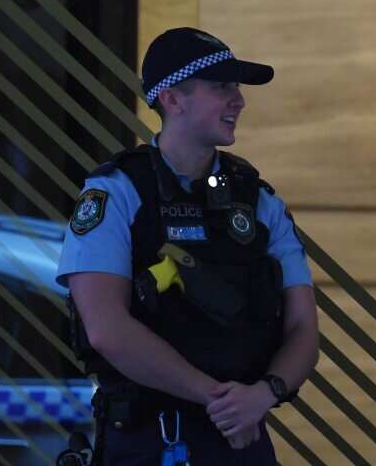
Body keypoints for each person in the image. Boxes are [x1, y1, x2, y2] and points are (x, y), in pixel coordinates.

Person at [57, 27, 319, 465]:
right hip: (149, 440)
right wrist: (220, 401)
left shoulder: (258, 201)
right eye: (222, 87)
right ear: (173, 99)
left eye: (237, 88)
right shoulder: (117, 192)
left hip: (243, 437)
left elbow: (303, 330)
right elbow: (105, 329)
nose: (239, 100)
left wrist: (263, 394)